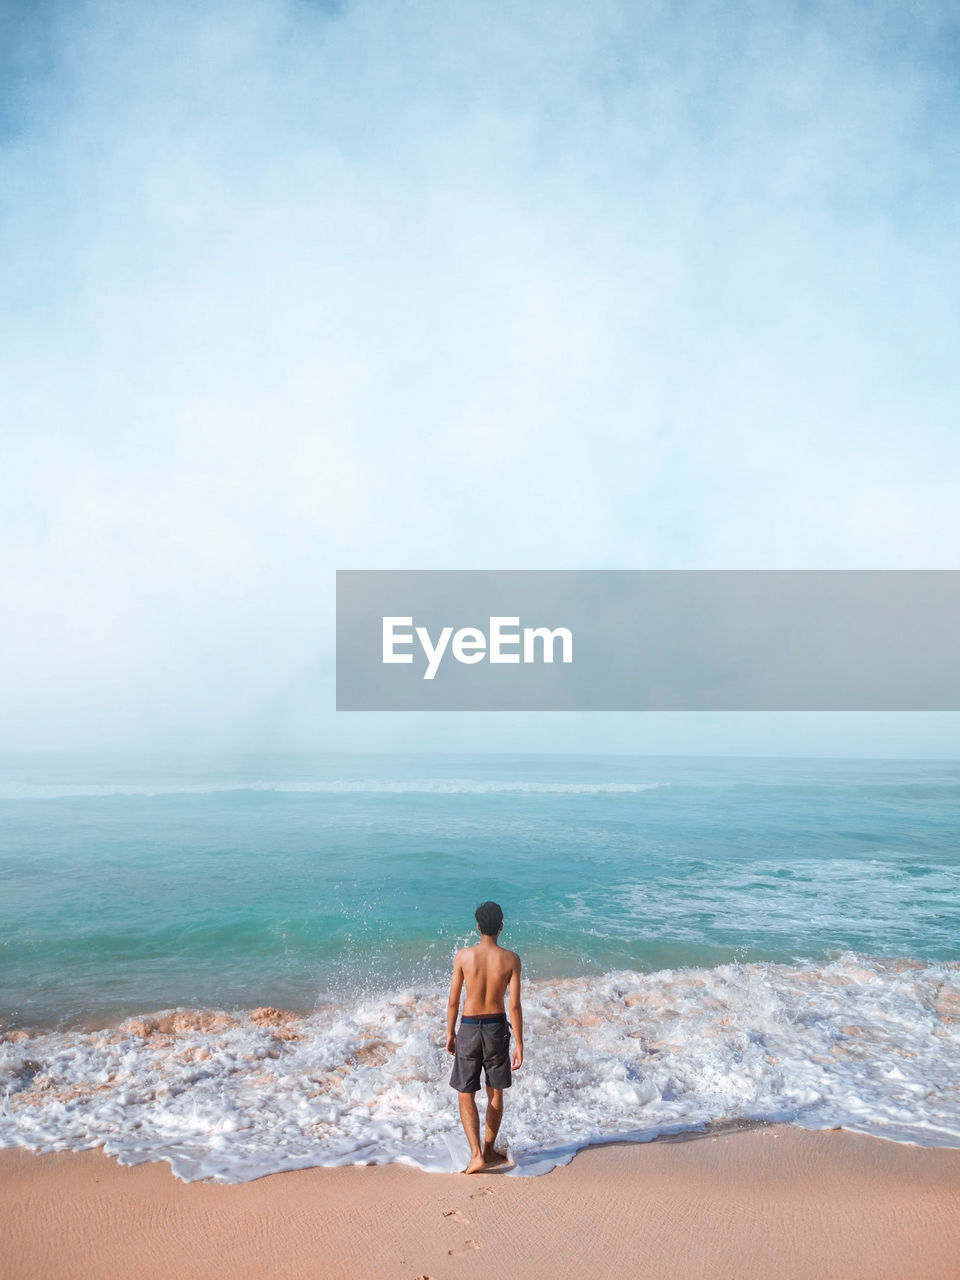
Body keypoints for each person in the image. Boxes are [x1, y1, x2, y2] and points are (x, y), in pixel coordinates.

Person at [446, 900, 523, 1174]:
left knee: (465, 1092)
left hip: (468, 1026)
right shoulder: (511, 959)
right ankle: (489, 1150)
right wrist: (520, 1043)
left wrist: (450, 1032)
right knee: (495, 1090)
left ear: (477, 926)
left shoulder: (463, 957)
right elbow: (513, 1005)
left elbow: (454, 1000)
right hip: (496, 1027)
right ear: (501, 927)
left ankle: (476, 1154)